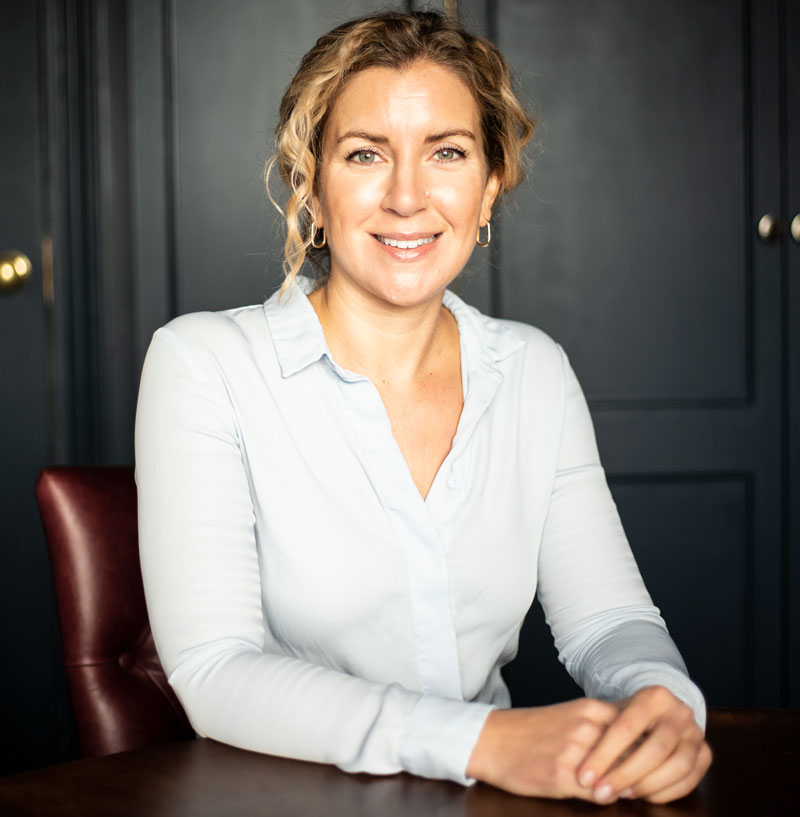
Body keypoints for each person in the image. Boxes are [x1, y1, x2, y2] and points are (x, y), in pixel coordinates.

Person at [136, 10, 711, 805]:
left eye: (447, 153)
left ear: (489, 183)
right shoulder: (203, 363)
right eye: (366, 154)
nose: (408, 196)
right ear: (312, 181)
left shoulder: (534, 372)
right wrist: (486, 740)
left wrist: (664, 705)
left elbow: (607, 620)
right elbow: (214, 670)